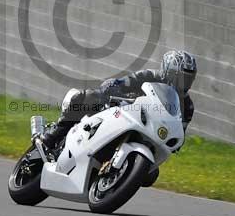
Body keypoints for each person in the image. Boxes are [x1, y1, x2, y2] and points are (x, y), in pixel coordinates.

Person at [39, 50, 197, 154]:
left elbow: (179, 133)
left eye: (189, 78)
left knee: (151, 175)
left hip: (148, 134)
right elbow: (126, 81)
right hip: (121, 111)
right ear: (167, 72)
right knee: (87, 97)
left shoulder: (187, 107)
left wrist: (175, 142)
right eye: (181, 76)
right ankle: (56, 133)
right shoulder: (150, 75)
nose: (185, 82)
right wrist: (115, 86)